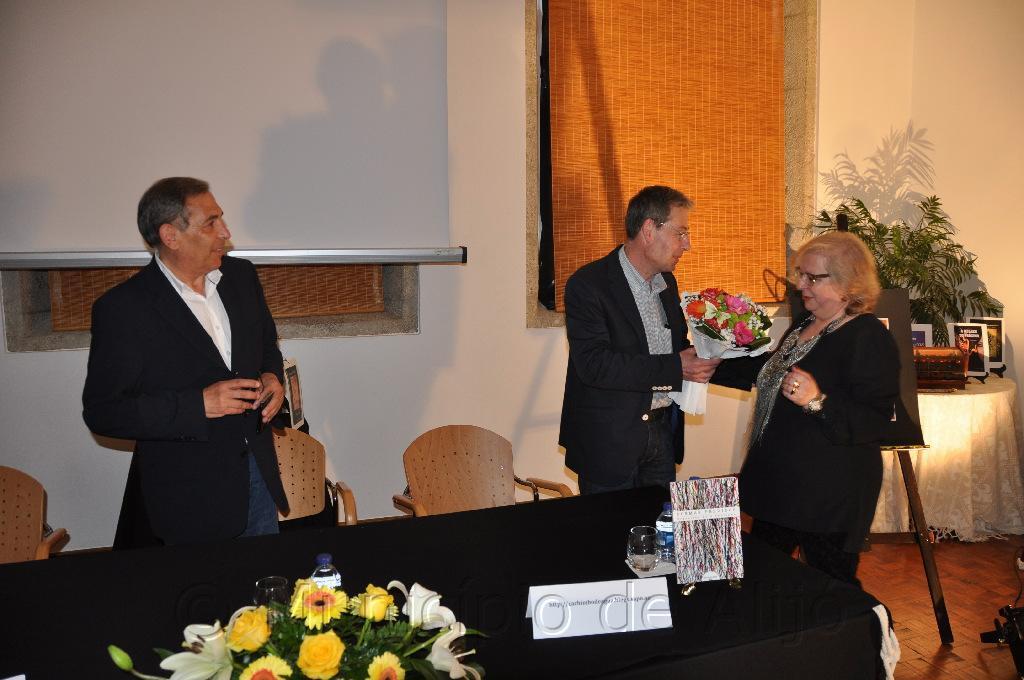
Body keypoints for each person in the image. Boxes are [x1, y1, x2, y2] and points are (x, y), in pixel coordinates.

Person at [83, 177, 289, 545]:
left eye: (220, 218)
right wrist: (199, 405)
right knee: (208, 584)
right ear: (170, 235)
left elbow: (266, 345)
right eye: (211, 223)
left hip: (258, 478)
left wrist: (272, 375)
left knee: (266, 581)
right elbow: (104, 412)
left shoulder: (241, 277)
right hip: (190, 499)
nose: (225, 232)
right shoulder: (124, 309)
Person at [732, 231, 899, 586]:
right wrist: (711, 362)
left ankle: (868, 626)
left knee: (831, 589)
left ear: (847, 283)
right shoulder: (805, 324)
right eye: (800, 274)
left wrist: (817, 401)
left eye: (812, 277)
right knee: (765, 580)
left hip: (828, 495)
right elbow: (770, 372)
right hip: (782, 485)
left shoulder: (868, 337)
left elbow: (874, 421)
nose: (800, 285)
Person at [558, 185, 723, 494]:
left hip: (661, 434)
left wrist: (723, 348)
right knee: (610, 526)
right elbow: (594, 364)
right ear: (649, 229)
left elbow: (677, 350)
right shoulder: (589, 284)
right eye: (681, 233)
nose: (687, 245)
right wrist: (677, 367)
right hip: (609, 442)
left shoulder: (667, 282)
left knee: (661, 524)